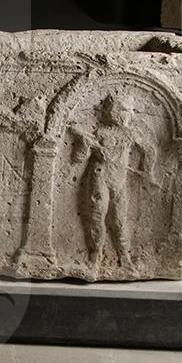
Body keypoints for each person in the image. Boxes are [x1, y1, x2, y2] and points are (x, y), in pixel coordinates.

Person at [70, 95, 159, 270]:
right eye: (123, 110)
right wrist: (85, 144)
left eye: (128, 111)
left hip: (119, 180)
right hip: (100, 177)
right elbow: (78, 159)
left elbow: (149, 150)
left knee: (119, 219)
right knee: (97, 215)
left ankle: (124, 255)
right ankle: (95, 254)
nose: (127, 114)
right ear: (112, 112)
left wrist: (147, 170)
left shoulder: (129, 133)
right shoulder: (100, 133)